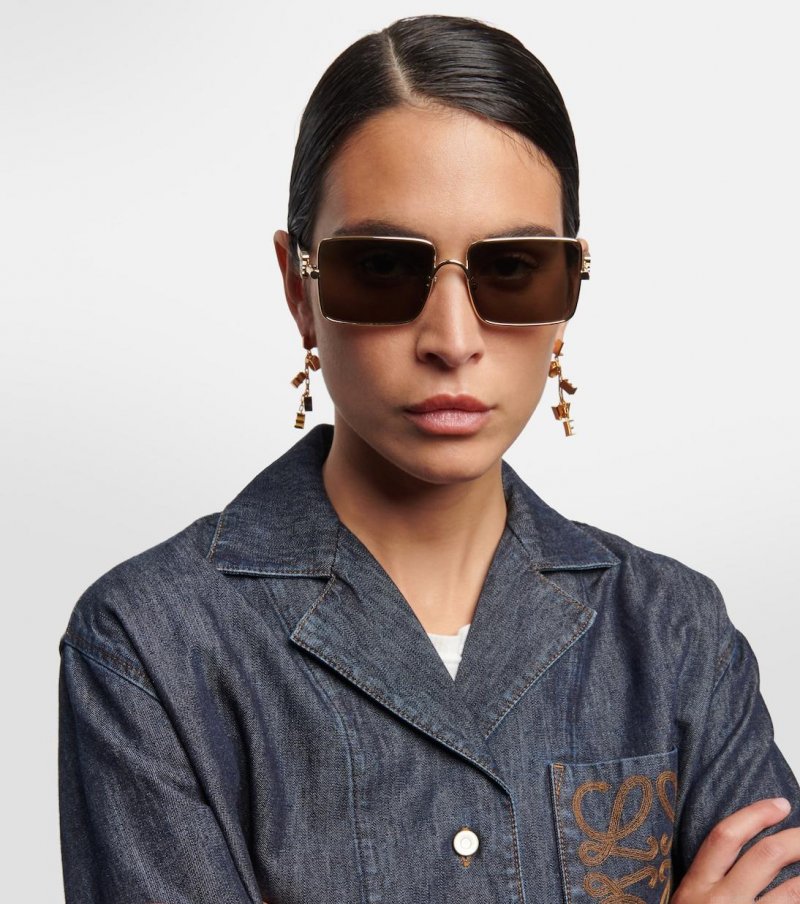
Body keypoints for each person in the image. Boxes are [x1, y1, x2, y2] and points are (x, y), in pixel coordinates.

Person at [58, 13, 800, 904]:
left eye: (512, 268)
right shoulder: (151, 646)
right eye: (383, 267)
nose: (452, 339)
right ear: (299, 289)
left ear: (570, 287)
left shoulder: (676, 633)